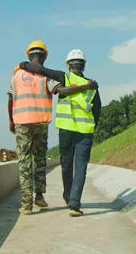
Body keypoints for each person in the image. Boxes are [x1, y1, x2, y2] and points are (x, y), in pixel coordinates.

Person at [20, 49, 100, 217]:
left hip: (66, 130)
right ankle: (75, 205)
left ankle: (68, 196)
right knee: (80, 168)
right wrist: (92, 129)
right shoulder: (92, 86)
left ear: (68, 65)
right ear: (84, 65)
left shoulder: (64, 77)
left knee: (67, 166)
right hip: (85, 132)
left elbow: (40, 70)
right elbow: (97, 111)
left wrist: (24, 65)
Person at [7, 40, 58, 215]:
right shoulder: (46, 76)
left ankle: (26, 204)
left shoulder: (16, 75)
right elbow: (58, 89)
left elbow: (10, 99)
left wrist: (11, 121)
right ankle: (39, 197)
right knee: (40, 159)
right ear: (44, 57)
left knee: (25, 162)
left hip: (21, 122)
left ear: (29, 56)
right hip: (41, 123)